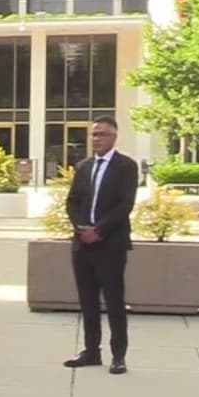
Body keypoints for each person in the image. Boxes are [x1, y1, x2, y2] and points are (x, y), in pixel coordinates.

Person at [63, 115, 138, 374]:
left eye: (101, 134)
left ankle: (119, 356)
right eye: (93, 134)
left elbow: (125, 204)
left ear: (114, 137)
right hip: (82, 244)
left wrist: (100, 230)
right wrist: (80, 228)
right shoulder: (83, 166)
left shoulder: (126, 166)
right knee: (87, 301)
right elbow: (72, 201)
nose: (96, 139)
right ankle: (91, 351)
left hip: (110, 245)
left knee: (114, 301)